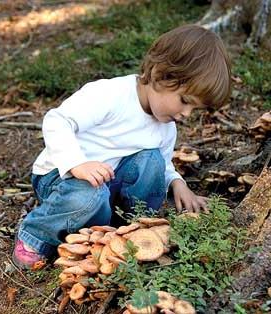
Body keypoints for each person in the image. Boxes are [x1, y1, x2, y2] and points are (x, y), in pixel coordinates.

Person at [12, 24, 231, 269]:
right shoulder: (111, 94)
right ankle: (35, 236)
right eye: (184, 101)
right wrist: (77, 163)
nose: (186, 114)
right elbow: (57, 120)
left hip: (107, 186)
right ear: (161, 75)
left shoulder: (166, 126)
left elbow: (164, 163)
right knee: (88, 196)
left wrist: (178, 183)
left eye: (195, 109)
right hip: (62, 178)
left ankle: (131, 227)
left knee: (152, 160)